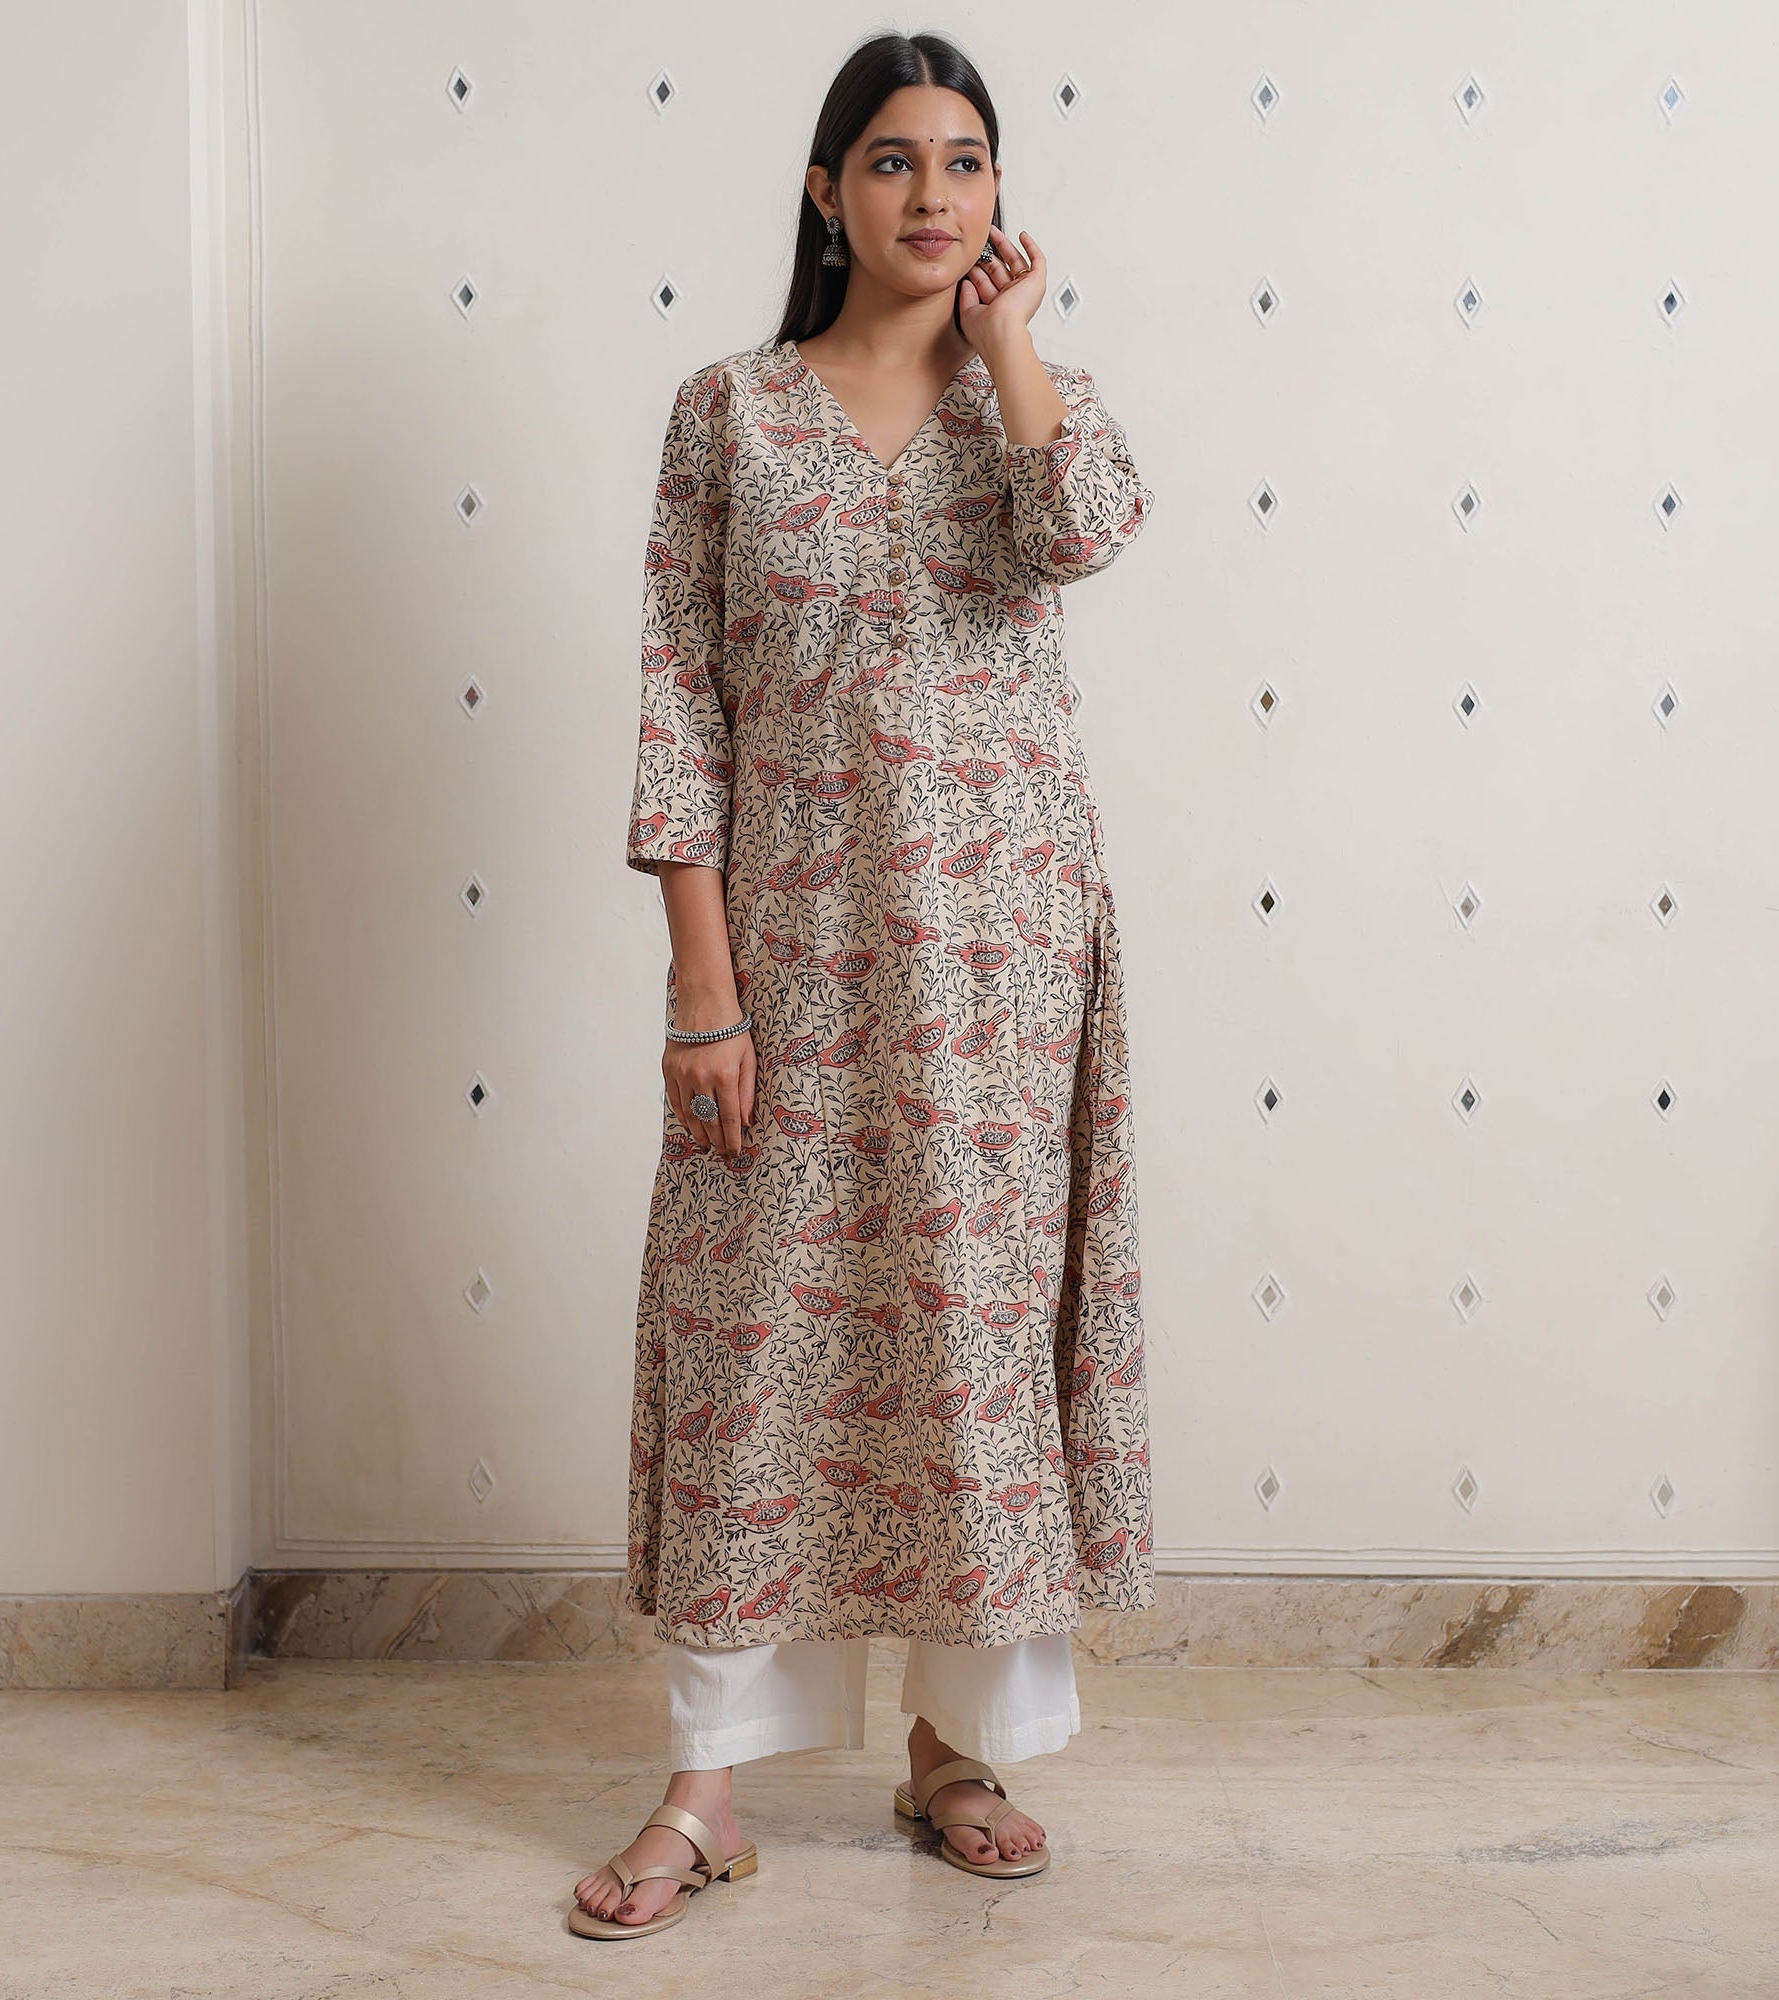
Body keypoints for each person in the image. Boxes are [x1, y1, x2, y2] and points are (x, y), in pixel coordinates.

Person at [572, 28, 1157, 1939]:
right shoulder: (730, 416)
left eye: (967, 162)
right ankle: (705, 1789)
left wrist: (1009, 347)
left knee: (969, 1348)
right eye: (895, 159)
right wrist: (702, 984)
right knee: (763, 1345)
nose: (933, 193)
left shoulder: (1037, 410)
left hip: (1000, 965)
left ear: (1002, 200)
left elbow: (1088, 534)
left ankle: (956, 1751)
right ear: (827, 191)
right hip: (799, 959)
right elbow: (681, 708)